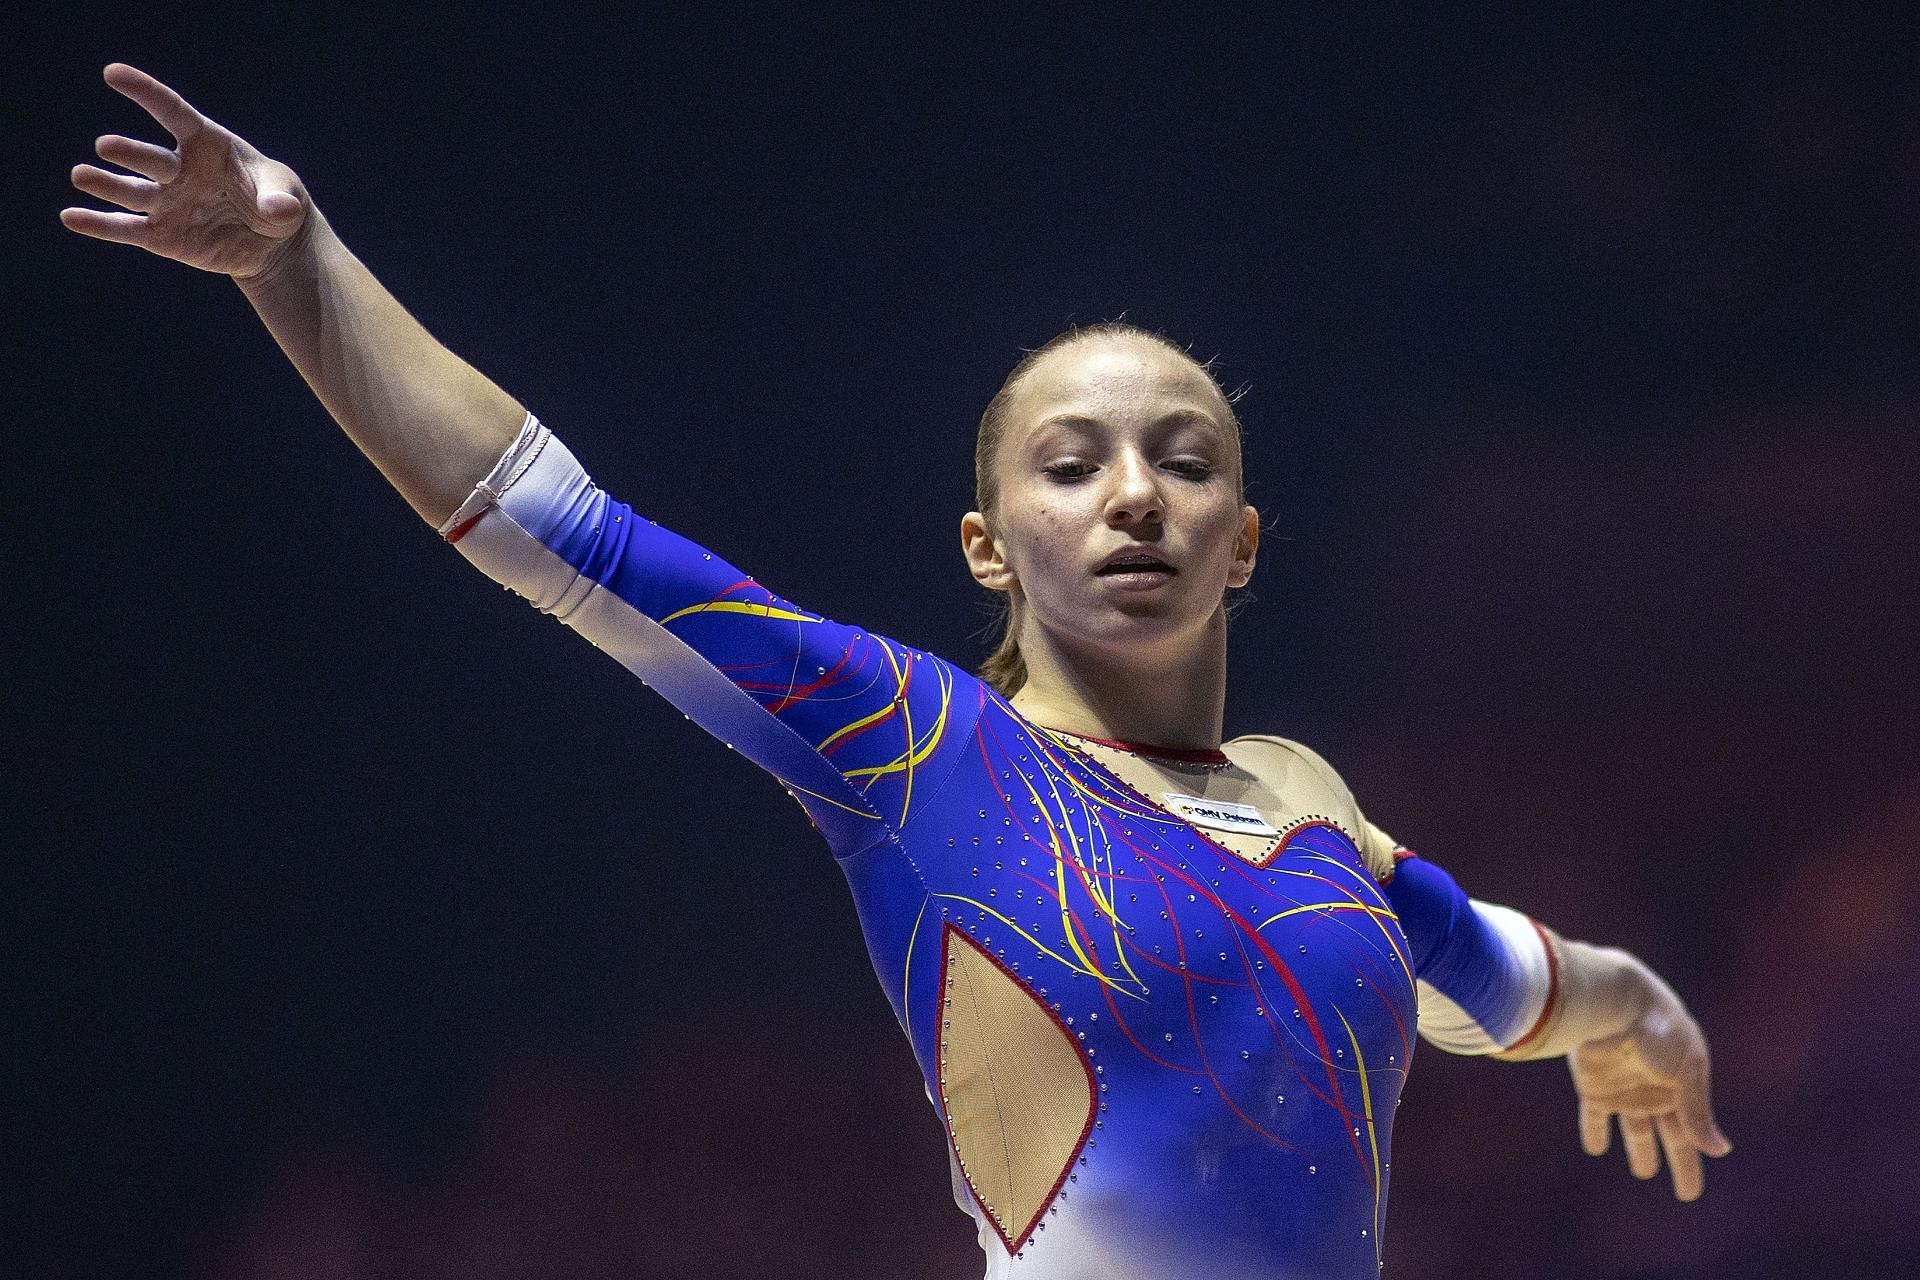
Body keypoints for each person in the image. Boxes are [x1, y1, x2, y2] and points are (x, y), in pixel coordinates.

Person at [63, 63, 1731, 1279]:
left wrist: (1639, 1012)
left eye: (1185, 460)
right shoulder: (919, 745)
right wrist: (297, 262)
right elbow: (558, 529)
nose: (1136, 492)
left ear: (1245, 542)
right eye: (1072, 464)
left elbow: (1511, 982)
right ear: (985, 546)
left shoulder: (1316, 813)